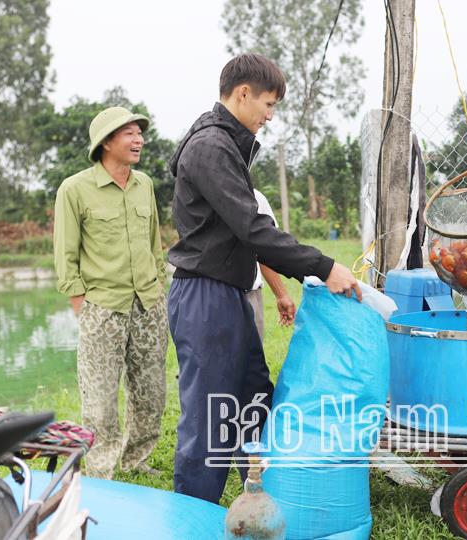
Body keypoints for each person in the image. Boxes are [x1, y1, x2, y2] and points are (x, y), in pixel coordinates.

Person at [167, 52, 361, 504]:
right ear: (243, 94)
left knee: (253, 396)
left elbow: (251, 234)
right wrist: (324, 266)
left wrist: (307, 271)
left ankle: (258, 496)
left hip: (231, 291)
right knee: (210, 419)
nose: (270, 116)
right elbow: (254, 229)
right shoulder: (211, 147)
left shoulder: (227, 146)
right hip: (205, 294)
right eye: (268, 105)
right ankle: (194, 520)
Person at [53, 106, 169, 479]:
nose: (139, 140)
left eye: (140, 133)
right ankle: (101, 470)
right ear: (105, 142)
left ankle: (137, 461)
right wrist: (80, 304)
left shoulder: (144, 185)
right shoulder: (74, 189)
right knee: (100, 401)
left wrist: (159, 285)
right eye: (129, 134)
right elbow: (65, 254)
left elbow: (154, 243)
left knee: (151, 393)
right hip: (102, 307)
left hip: (149, 303)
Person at [246, 188, 297, 338]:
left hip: (249, 293)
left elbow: (264, 248)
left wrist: (281, 294)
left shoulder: (255, 197)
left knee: (250, 356)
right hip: (210, 292)